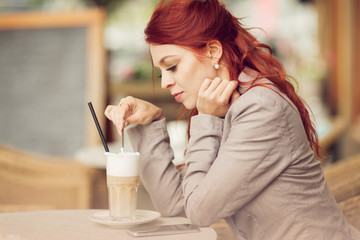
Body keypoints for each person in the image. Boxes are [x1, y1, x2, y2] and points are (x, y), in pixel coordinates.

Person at [105, 0, 360, 239]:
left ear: (214, 51)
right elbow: (176, 206)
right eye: (159, 72)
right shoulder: (228, 105)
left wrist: (206, 119)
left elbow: (199, 212)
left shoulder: (260, 108)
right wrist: (150, 123)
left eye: (171, 66)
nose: (165, 83)